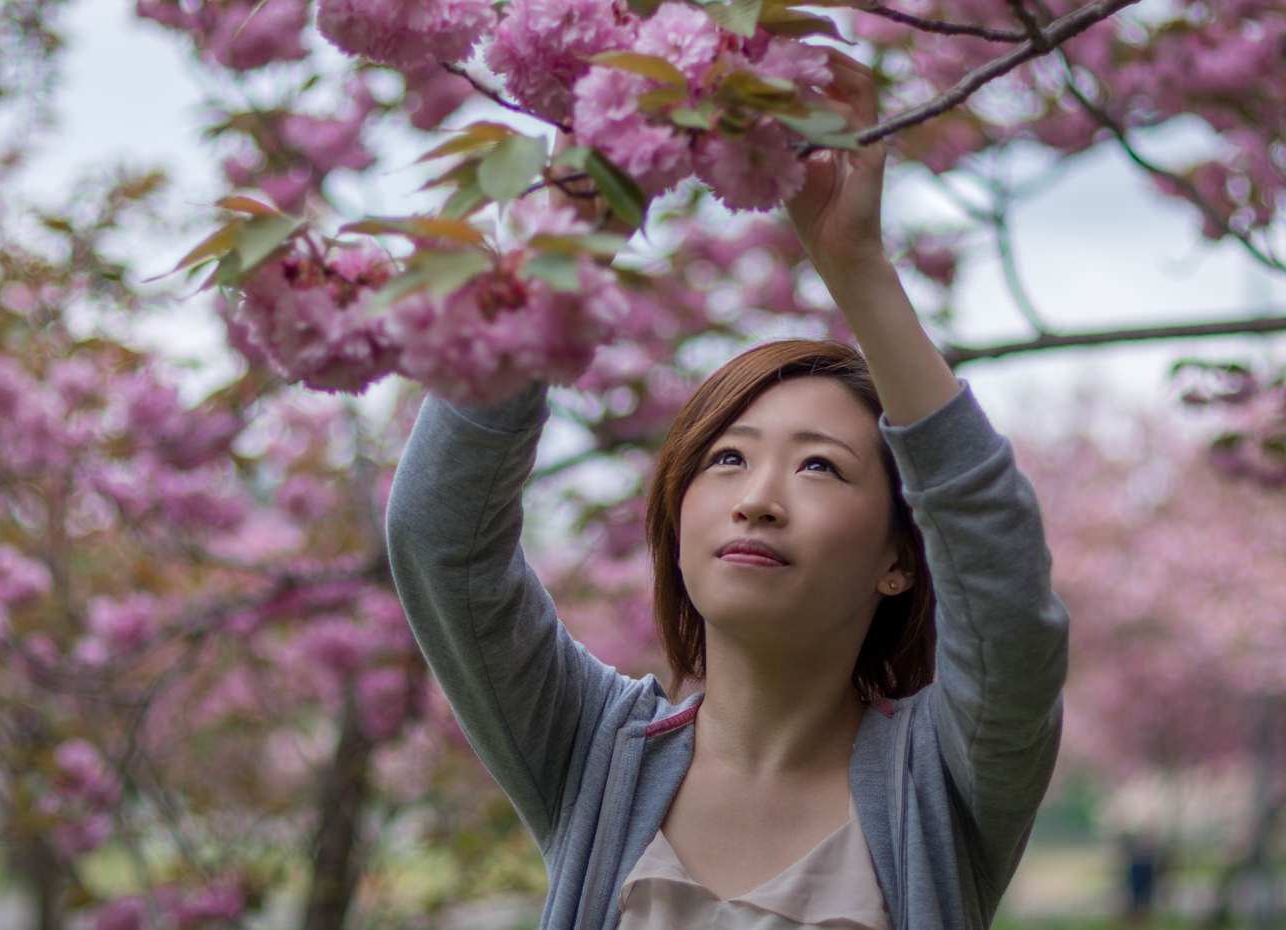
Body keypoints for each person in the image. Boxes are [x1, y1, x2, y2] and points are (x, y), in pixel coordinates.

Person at [384, 53, 1068, 930]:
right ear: (677, 517)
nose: (759, 499)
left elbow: (1006, 596)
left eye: (819, 465)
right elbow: (442, 542)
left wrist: (853, 263)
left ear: (901, 558)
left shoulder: (941, 774)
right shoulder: (596, 754)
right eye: (727, 460)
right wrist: (557, 246)